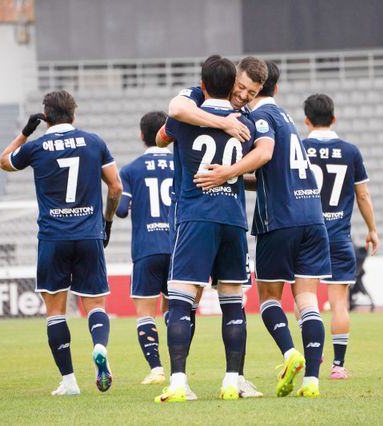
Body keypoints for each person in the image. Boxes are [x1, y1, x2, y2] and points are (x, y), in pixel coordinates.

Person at [193, 61, 331, 398]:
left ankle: (290, 353)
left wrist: (227, 173)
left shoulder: (259, 118)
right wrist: (238, 176)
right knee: (308, 300)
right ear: (276, 89)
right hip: (313, 217)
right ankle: (312, 380)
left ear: (254, 90)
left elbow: (264, 155)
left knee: (269, 298)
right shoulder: (286, 118)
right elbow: (272, 172)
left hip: (280, 219)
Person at [156, 55, 267, 399]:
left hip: (195, 217)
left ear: (202, 84)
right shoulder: (246, 122)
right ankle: (232, 381)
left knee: (181, 300)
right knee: (233, 301)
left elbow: (161, 137)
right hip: (232, 219)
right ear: (232, 84)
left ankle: (178, 383)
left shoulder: (185, 116)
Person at [0, 90, 122, 396]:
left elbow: (3, 162)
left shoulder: (36, 147)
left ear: (45, 118)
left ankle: (69, 382)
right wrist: (106, 222)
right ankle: (99, 347)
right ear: (74, 115)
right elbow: (116, 187)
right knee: (95, 304)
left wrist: (25, 132)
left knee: (55, 311)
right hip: (89, 235)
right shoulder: (94, 142)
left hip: (53, 237)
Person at [301, 93, 379, 379]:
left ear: (306, 120)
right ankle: (338, 366)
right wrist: (372, 229)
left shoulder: (299, 148)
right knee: (339, 303)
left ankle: (314, 350)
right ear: (333, 118)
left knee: (305, 297)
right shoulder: (350, 151)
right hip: (338, 236)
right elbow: (363, 195)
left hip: (307, 235)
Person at [114, 111, 172, 386]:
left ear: (141, 135)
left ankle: (156, 369)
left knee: (146, 312)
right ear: (168, 134)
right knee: (176, 311)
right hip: (179, 248)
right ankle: (180, 368)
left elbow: (121, 210)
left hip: (147, 248)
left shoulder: (130, 170)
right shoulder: (182, 164)